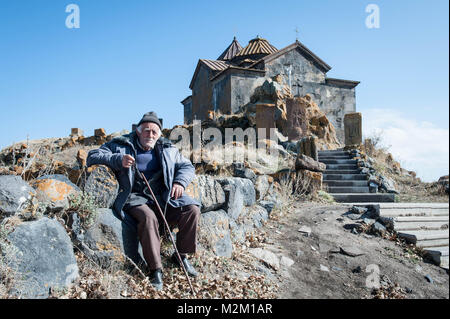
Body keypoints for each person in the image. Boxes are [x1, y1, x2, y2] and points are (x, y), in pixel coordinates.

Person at [86, 111, 201, 291]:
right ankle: (156, 270)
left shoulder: (168, 148)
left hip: (162, 197)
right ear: (138, 131)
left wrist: (180, 182)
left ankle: (180, 256)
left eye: (155, 132)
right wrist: (117, 160)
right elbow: (92, 156)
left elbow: (187, 166)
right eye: (147, 131)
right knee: (148, 219)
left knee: (191, 209)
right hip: (134, 197)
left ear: (159, 135)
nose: (150, 135)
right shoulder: (121, 145)